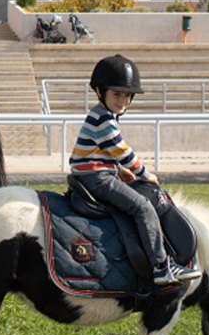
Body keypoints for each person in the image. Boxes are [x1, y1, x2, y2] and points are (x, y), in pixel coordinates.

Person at [69, 54, 201, 289]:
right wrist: (143, 174)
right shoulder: (104, 120)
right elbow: (122, 151)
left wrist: (119, 172)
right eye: (116, 94)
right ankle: (161, 267)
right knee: (142, 207)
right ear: (101, 92)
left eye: (127, 96)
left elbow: (106, 153)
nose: (122, 101)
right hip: (96, 178)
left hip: (97, 173)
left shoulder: (101, 115)